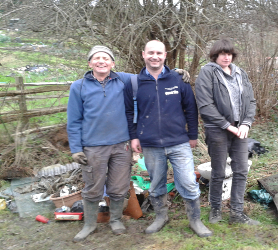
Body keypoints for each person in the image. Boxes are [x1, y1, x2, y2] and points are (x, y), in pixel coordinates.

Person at [67, 46, 190, 242]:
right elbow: (73, 120)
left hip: (121, 145)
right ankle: (89, 224)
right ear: (90, 63)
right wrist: (76, 149)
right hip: (93, 146)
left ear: (113, 63)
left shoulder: (124, 80)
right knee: (93, 187)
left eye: (106, 58)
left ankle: (115, 220)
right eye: (96, 58)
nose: (101, 61)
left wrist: (174, 74)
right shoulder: (79, 86)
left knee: (118, 186)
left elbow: (152, 74)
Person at [124, 40, 213, 237]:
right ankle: (161, 217)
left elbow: (191, 108)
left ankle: (195, 220)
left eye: (159, 53)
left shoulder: (178, 80)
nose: (154, 56)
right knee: (156, 183)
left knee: (188, 181)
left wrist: (192, 136)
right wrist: (133, 137)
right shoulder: (134, 83)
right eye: (150, 53)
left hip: (179, 142)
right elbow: (129, 112)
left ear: (165, 55)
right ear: (143, 54)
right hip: (150, 144)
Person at [195, 38, 260, 225]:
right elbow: (205, 105)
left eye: (229, 53)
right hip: (217, 130)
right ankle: (215, 210)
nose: (226, 57)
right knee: (218, 172)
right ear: (215, 55)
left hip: (240, 131)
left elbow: (251, 101)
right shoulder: (207, 73)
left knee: (241, 171)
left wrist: (246, 123)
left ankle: (237, 213)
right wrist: (227, 125)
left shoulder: (241, 73)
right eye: (222, 54)